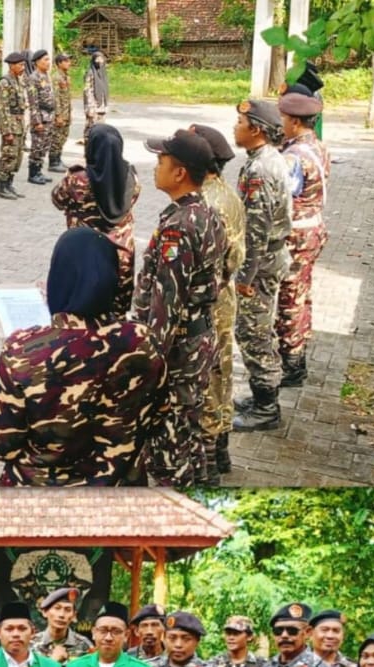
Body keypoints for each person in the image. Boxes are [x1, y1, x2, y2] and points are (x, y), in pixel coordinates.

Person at [0, 227, 166, 486]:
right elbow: (158, 414)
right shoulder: (143, 341)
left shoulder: (23, 350)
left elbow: (2, 440)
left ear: (58, 278)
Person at [134, 129, 227, 486]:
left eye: (161, 161)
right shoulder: (206, 213)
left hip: (178, 351)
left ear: (180, 173)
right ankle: (200, 481)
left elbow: (167, 304)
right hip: (198, 341)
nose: (155, 167)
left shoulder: (179, 226)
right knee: (188, 433)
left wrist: (148, 358)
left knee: (169, 450)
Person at [187, 123, 244, 484]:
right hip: (225, 296)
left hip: (208, 301)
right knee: (221, 373)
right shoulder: (226, 192)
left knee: (206, 376)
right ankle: (220, 449)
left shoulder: (205, 203)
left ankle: (207, 463)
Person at [230, 99, 292, 433]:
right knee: (256, 330)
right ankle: (260, 396)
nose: (234, 127)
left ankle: (267, 408)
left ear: (255, 129)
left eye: (240, 122)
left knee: (254, 333)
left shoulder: (261, 169)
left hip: (262, 264)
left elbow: (256, 231)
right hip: (268, 259)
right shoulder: (262, 160)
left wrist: (244, 277)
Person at [50, 123, 141, 313]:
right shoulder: (132, 178)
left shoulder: (78, 180)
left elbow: (57, 199)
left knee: (82, 312)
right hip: (122, 255)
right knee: (116, 313)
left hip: (85, 256)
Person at [276, 82, 331, 387]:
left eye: (282, 119)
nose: (279, 124)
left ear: (294, 122)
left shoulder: (294, 158)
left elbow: (279, 196)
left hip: (297, 235)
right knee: (301, 293)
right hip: (313, 228)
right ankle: (299, 350)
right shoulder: (317, 145)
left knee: (290, 300)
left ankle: (292, 363)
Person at [0, 52, 29, 201]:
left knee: (17, 156)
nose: (23, 67)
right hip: (11, 125)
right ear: (11, 65)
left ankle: (10, 184)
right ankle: (3, 187)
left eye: (23, 64)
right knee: (8, 155)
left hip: (19, 124)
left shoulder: (18, 80)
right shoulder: (5, 82)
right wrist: (7, 130)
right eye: (20, 65)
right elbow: (3, 109)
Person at [32, 588, 94, 663]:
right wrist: (52, 662)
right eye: (57, 608)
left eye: (68, 610)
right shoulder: (31, 643)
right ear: (45, 612)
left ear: (74, 615)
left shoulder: (84, 644)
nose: (62, 615)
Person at [25, 50, 54, 186]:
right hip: (40, 117)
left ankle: (39, 170)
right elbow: (33, 102)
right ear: (37, 62)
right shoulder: (33, 78)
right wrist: (37, 122)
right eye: (45, 60)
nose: (48, 63)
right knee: (37, 145)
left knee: (44, 145)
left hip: (49, 115)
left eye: (49, 60)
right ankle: (33, 173)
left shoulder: (46, 75)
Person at [48, 54, 72, 173]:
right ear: (59, 63)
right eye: (66, 61)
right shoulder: (56, 77)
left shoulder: (66, 76)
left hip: (66, 112)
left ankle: (58, 158)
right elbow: (55, 97)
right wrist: (58, 115)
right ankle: (53, 162)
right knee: (57, 137)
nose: (69, 63)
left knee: (63, 136)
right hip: (60, 113)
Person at [82, 51, 108, 141]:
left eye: (101, 59)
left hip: (101, 106)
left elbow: (104, 91)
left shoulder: (103, 73)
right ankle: (88, 150)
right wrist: (90, 108)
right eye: (97, 59)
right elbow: (87, 90)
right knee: (90, 130)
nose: (100, 61)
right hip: (92, 107)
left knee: (100, 130)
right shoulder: (90, 72)